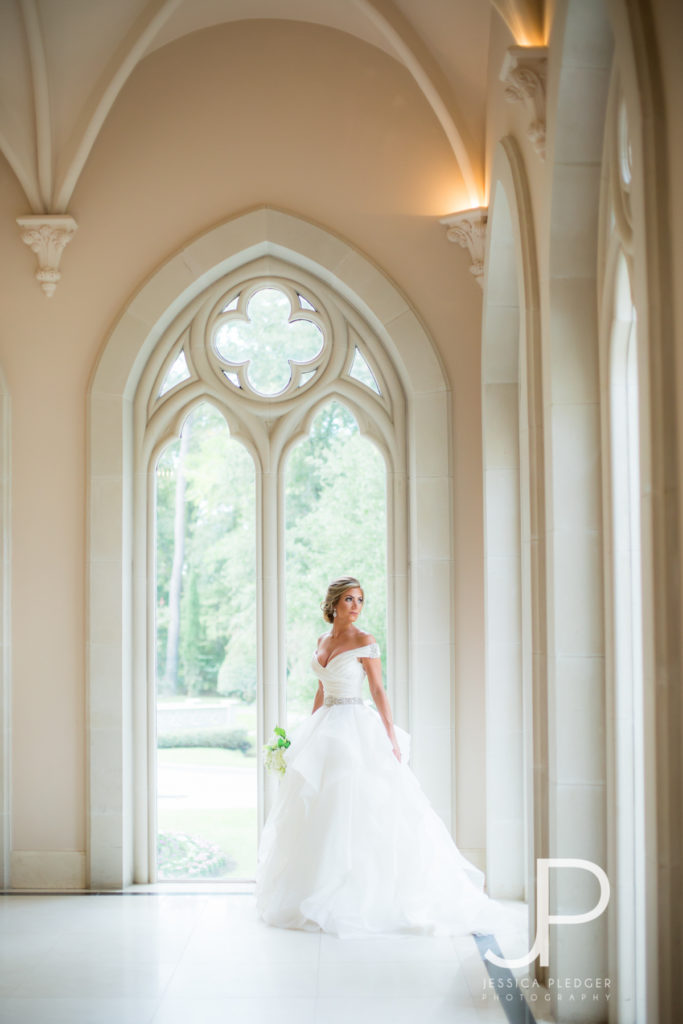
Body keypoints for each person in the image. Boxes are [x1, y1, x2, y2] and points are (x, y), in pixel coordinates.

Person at [255, 576, 513, 938]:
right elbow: (320, 688)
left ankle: (357, 893)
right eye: (349, 599)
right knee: (318, 803)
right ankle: (313, 888)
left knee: (353, 801)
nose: (356, 605)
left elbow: (377, 689)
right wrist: (307, 731)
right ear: (334, 604)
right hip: (326, 724)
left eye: (360, 599)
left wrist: (390, 736)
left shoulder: (365, 642)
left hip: (354, 726)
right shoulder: (322, 641)